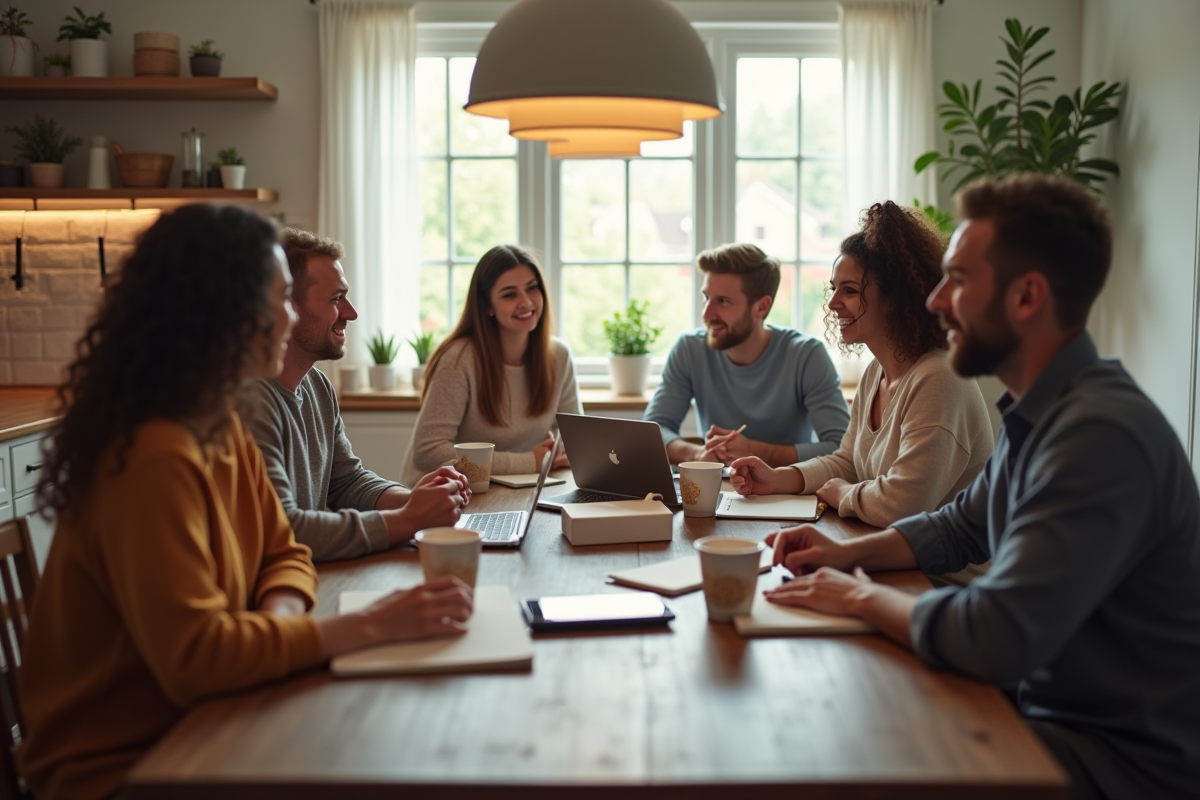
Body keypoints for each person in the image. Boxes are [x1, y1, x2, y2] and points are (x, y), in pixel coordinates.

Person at [763, 175, 1200, 800]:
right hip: (1048, 716)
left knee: (847, 747)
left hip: (1114, 760)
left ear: (1027, 297)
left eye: (958, 281)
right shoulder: (1044, 412)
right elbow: (958, 526)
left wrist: (857, 598)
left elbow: (995, 635)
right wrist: (841, 554)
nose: (936, 301)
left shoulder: (1098, 435)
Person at [17, 206, 473, 800]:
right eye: (281, 298)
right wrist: (365, 626)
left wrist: (275, 626)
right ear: (222, 312)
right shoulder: (152, 454)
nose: (289, 317)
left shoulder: (216, 425)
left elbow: (282, 550)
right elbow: (198, 660)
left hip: (208, 715)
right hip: (121, 766)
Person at [729, 202, 994, 528]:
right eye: (833, 288)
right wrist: (778, 479)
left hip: (935, 577)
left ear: (897, 299)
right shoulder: (876, 373)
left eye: (850, 290)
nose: (833, 302)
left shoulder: (939, 378)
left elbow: (901, 506)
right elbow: (848, 462)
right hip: (884, 552)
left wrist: (843, 495)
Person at [242, 228, 470, 563]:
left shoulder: (318, 386)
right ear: (288, 306)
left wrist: (412, 500)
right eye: (335, 299)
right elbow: (284, 530)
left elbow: (346, 483)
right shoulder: (249, 402)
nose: (350, 313)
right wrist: (409, 519)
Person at [643, 243, 849, 466]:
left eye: (722, 301)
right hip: (719, 491)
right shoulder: (689, 350)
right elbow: (653, 432)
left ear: (761, 307)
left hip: (786, 491)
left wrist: (753, 451)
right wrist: (698, 454)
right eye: (707, 298)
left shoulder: (806, 355)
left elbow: (841, 447)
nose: (707, 314)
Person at [403, 244, 581, 486]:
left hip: (519, 487)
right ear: (487, 306)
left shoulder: (559, 356)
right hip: (451, 494)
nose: (526, 302)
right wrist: (529, 462)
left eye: (532, 288)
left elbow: (575, 438)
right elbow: (428, 451)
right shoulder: (459, 359)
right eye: (510, 294)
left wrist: (561, 451)